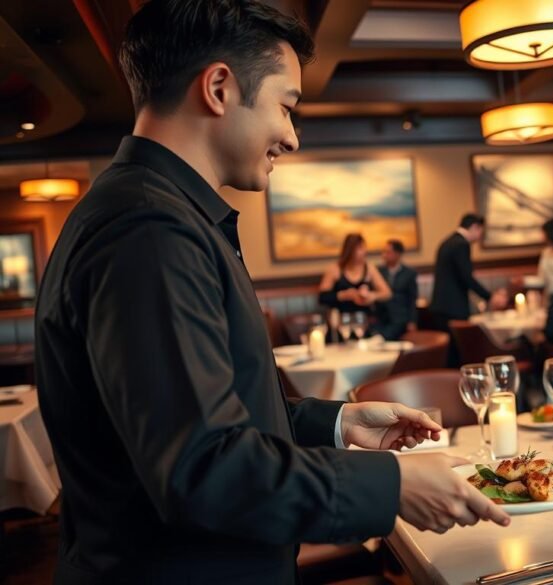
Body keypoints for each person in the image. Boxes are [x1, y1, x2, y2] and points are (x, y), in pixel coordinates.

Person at [33, 2, 509, 582]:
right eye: (286, 107)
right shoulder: (148, 229)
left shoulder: (158, 212)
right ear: (218, 88)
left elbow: (210, 410)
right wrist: (392, 485)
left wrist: (338, 423)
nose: (292, 137)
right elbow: (202, 467)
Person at [429, 214, 508, 351]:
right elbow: (466, 278)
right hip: (453, 308)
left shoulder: (448, 241)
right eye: (481, 231)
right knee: (458, 351)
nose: (480, 236)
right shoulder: (461, 244)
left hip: (441, 306)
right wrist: (490, 296)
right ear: (475, 227)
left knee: (450, 352)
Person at [318, 233, 392, 318]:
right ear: (350, 250)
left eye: (364, 247)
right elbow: (322, 297)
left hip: (365, 318)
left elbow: (387, 293)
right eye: (360, 248)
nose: (364, 251)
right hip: (341, 318)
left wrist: (372, 296)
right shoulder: (335, 269)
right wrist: (344, 295)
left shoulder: (369, 268)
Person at [376, 239, 419, 341]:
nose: (384, 255)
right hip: (381, 318)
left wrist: (412, 321)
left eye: (388, 252)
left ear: (397, 254)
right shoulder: (378, 272)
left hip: (400, 319)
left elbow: (412, 299)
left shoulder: (409, 274)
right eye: (383, 252)